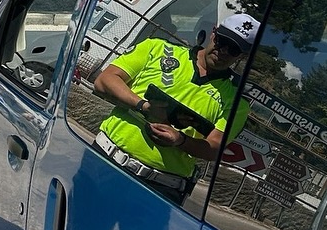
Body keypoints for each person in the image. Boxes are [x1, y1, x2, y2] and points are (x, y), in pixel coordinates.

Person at [93, 13, 261, 203]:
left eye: (233, 50)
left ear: (242, 56)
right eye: (223, 41)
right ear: (214, 33)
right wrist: (143, 106)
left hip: (161, 188)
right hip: (105, 160)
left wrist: (180, 140)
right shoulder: (157, 48)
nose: (223, 51)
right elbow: (105, 80)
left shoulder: (237, 102)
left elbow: (214, 148)